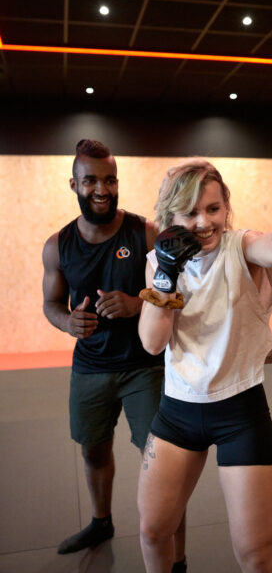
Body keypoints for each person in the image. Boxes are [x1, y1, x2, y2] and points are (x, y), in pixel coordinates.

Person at [137, 158, 272, 573]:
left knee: (255, 554)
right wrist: (166, 276)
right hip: (177, 412)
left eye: (213, 209)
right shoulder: (159, 261)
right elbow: (152, 343)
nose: (204, 222)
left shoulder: (241, 247)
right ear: (169, 218)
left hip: (240, 413)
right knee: (154, 532)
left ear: (226, 208)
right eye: (190, 212)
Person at [42, 139, 186, 571]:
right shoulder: (58, 245)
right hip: (90, 368)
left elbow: (180, 291)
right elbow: (51, 303)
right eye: (91, 181)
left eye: (109, 179)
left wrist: (138, 302)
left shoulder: (144, 232)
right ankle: (101, 521)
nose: (101, 189)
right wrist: (67, 322)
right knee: (93, 450)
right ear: (74, 184)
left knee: (163, 463)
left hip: (145, 367)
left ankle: (176, 560)